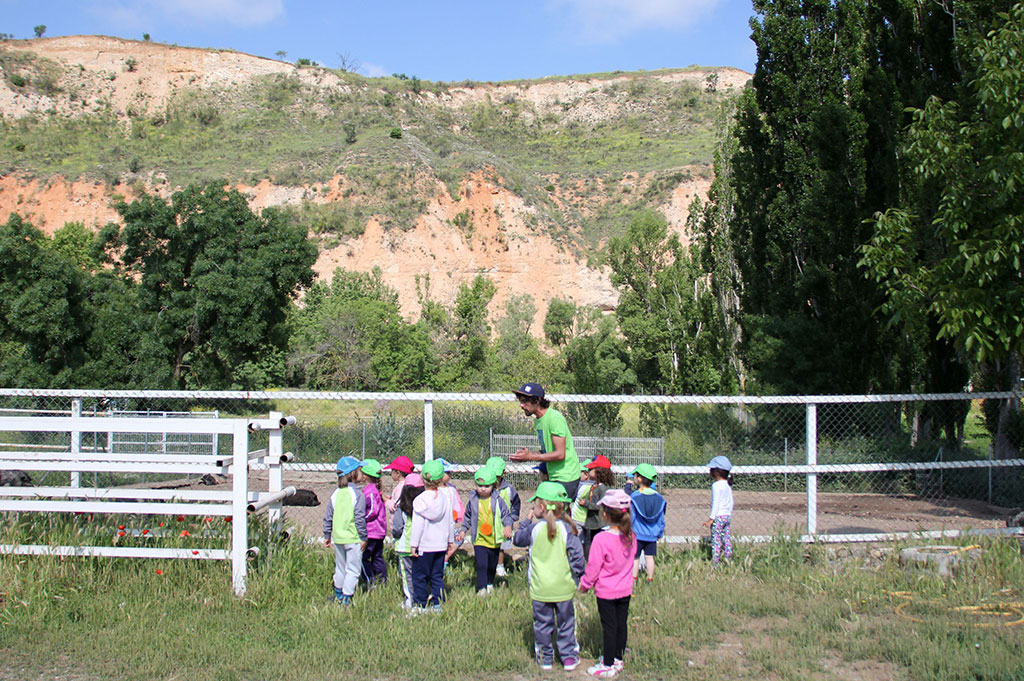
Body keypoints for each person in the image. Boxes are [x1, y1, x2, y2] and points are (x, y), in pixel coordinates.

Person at [513, 481, 585, 672]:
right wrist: (579, 576)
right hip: (563, 587)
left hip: (540, 588)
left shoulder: (533, 529)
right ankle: (569, 658)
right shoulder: (568, 530)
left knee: (542, 625)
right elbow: (578, 557)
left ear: (542, 507)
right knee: (566, 623)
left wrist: (526, 521)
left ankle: (545, 659)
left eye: (534, 505)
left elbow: (517, 539)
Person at [578, 489, 636, 678]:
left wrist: (585, 584)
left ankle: (608, 664)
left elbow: (594, 567)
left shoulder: (601, 539)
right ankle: (618, 658)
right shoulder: (631, 536)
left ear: (605, 514)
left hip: (606, 592)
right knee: (621, 624)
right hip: (625, 589)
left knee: (609, 627)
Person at [509, 382, 582, 500]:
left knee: (554, 515)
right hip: (555, 476)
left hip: (566, 477)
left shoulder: (554, 418)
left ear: (537, 401)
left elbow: (560, 454)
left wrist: (531, 457)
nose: (521, 405)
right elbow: (546, 451)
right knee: (552, 515)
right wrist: (526, 455)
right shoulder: (539, 421)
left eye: (525, 401)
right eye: (520, 401)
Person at [457, 466, 514, 594]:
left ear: (493, 486)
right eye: (479, 485)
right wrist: (463, 530)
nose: (483, 489)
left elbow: (506, 515)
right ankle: (482, 588)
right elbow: (467, 516)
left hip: (494, 539)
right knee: (481, 564)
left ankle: (489, 583)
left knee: (492, 565)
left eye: (487, 486)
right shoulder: (473, 500)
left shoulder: (498, 500)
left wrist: (508, 526)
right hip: (479, 539)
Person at [409, 459, 456, 613]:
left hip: (424, 546)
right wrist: (450, 540)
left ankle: (421, 604)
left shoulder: (420, 500)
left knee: (420, 576)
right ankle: (438, 604)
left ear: (422, 478)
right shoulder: (445, 498)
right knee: (437, 575)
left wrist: (414, 544)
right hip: (440, 545)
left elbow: (418, 525)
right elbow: (450, 520)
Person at [322, 455, 367, 605]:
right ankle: (347, 598)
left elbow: (328, 517)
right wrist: (363, 537)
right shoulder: (357, 495)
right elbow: (360, 518)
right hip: (353, 538)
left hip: (339, 538)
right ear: (353, 473)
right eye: (360, 470)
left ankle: (338, 594)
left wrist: (327, 535)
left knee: (340, 568)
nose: (362, 473)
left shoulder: (336, 494)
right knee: (353, 569)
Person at [628, 463, 666, 583]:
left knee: (635, 557)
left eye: (635, 475)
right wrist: (660, 532)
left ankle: (634, 579)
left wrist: (628, 530)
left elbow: (632, 516)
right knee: (650, 557)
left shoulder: (635, 497)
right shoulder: (659, 498)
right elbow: (661, 518)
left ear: (639, 479)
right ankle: (650, 579)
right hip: (652, 534)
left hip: (637, 533)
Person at [392, 473, 424, 610]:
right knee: (420, 575)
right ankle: (420, 598)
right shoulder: (424, 507)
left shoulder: (401, 507)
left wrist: (395, 535)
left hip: (405, 547)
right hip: (421, 546)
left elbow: (397, 528)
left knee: (407, 576)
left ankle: (410, 600)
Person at [486, 455, 520, 577]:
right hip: (488, 522)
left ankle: (499, 566)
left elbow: (515, 504)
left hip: (503, 524)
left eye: (497, 475)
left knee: (500, 547)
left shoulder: (509, 489)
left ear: (503, 474)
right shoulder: (485, 488)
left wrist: (512, 519)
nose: (494, 479)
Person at [358, 458, 387, 586]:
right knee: (377, 557)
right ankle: (382, 580)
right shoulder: (375, 490)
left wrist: (362, 518)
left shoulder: (369, 491)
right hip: (379, 531)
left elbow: (373, 511)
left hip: (371, 531)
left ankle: (369, 580)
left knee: (364, 558)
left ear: (365, 476)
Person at [580, 456, 614, 558]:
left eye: (591, 469)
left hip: (600, 524)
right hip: (593, 523)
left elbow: (602, 506)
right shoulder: (594, 486)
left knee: (599, 547)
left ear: (599, 472)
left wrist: (586, 504)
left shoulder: (603, 488)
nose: (588, 471)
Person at [703, 455, 734, 566]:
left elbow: (715, 503)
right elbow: (731, 502)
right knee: (726, 538)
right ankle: (728, 559)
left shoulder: (716, 485)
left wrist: (711, 518)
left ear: (717, 472)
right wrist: (728, 513)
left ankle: (715, 563)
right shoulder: (728, 485)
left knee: (716, 540)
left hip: (718, 517)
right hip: (727, 516)